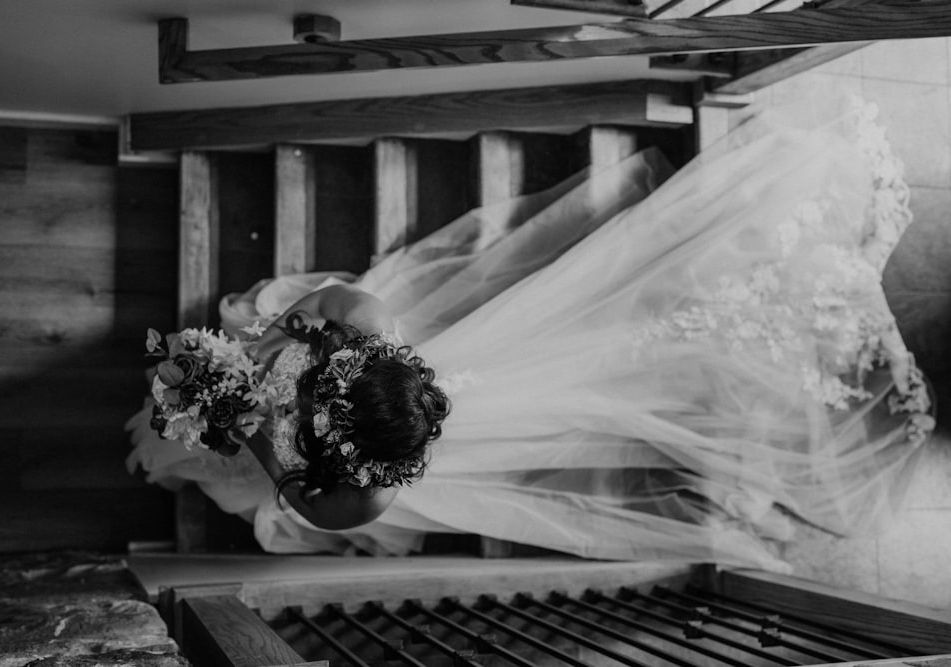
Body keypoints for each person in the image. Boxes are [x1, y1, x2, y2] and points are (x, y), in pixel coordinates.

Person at [127, 98, 935, 572]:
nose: (299, 396)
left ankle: (168, 441)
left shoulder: (367, 493)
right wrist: (283, 340)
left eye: (312, 405)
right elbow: (322, 305)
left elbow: (299, 495)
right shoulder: (369, 324)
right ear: (370, 361)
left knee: (188, 441)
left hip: (256, 433)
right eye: (317, 386)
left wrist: (255, 425)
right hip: (303, 384)